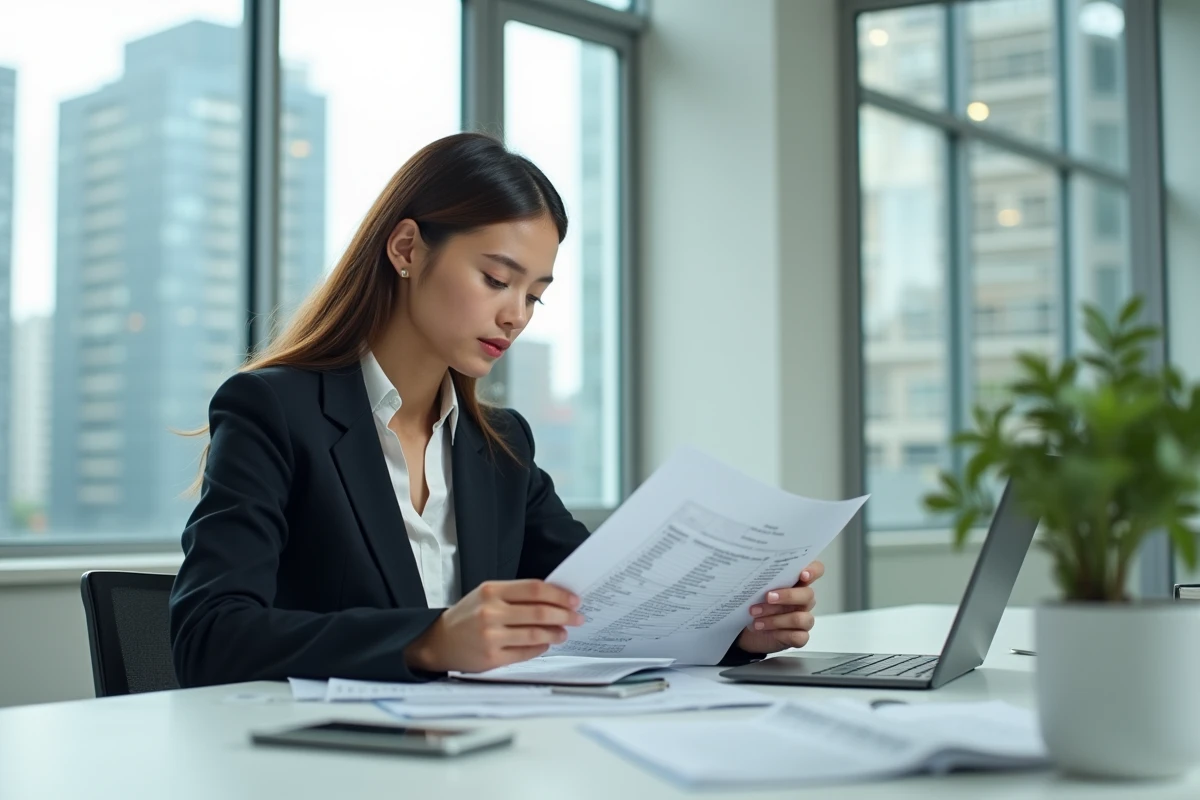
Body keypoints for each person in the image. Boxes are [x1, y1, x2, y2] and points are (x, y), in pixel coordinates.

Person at [169, 132, 825, 686]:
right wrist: (427, 639)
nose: (515, 315)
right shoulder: (275, 410)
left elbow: (604, 606)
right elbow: (209, 635)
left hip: (480, 757)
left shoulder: (501, 447)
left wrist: (744, 624)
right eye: (496, 278)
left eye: (535, 295)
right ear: (405, 249)